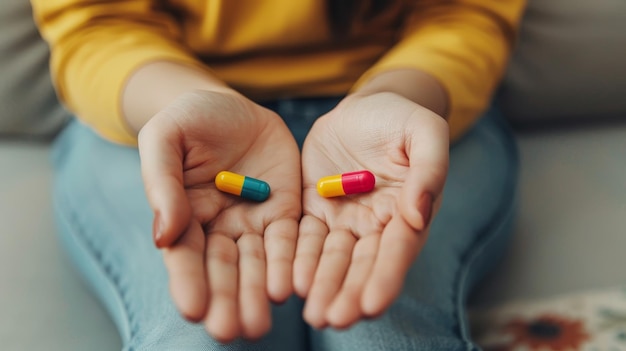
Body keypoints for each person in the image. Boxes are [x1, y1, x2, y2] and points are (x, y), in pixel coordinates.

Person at [31, 0, 525, 349]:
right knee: (200, 338)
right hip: (156, 108)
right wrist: (180, 102)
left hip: (401, 110)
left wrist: (396, 95)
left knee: (381, 337)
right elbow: (95, 24)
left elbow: (466, 15)